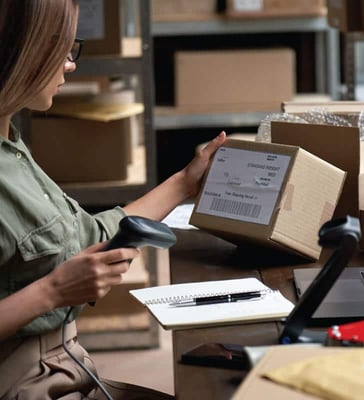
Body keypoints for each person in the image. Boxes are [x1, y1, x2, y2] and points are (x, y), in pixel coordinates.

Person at [0, 1, 227, 399]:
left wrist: (185, 183)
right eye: (60, 49)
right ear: (19, 48)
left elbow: (89, 235)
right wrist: (52, 291)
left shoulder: (12, 145)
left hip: (65, 366)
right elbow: (58, 276)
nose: (70, 64)